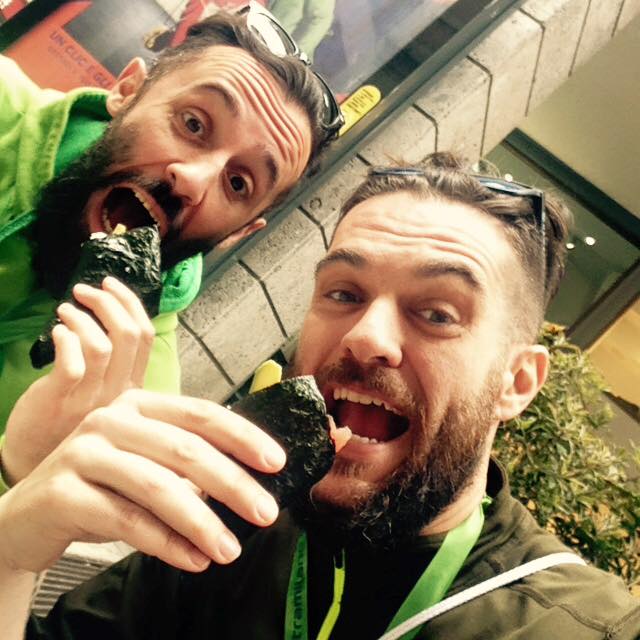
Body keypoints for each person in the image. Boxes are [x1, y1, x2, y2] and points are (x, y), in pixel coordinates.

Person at [1, 153, 639, 639]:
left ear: (516, 382)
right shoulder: (228, 526)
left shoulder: (583, 626)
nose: (366, 337)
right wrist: (12, 547)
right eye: (343, 293)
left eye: (437, 313)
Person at [0, 8, 342, 490]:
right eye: (193, 124)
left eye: (238, 183)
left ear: (240, 232)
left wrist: (22, 473)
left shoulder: (137, 392)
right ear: (126, 91)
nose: (192, 181)